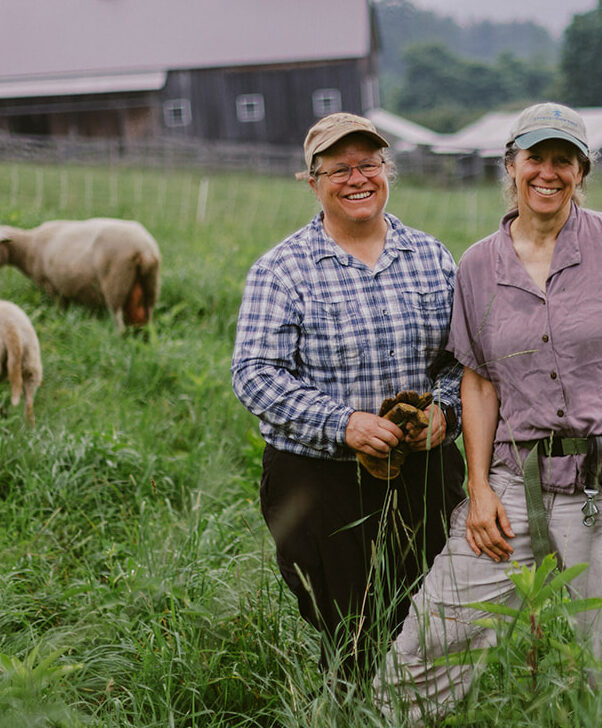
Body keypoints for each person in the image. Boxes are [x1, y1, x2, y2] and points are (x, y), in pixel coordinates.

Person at [376, 102, 602, 719]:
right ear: (511, 166)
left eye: (563, 160)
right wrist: (479, 487)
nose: (548, 172)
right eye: (535, 158)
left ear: (582, 170)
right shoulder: (478, 266)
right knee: (432, 639)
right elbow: (480, 381)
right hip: (517, 483)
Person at [231, 112, 466, 681]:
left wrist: (446, 413)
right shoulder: (283, 270)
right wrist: (345, 424)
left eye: (368, 165)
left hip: (422, 472)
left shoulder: (431, 257)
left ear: (387, 171)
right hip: (320, 479)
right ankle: (353, 707)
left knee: (431, 611)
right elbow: (255, 373)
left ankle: (422, 708)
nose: (357, 178)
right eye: (339, 169)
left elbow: (462, 360)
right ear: (312, 182)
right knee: (348, 624)